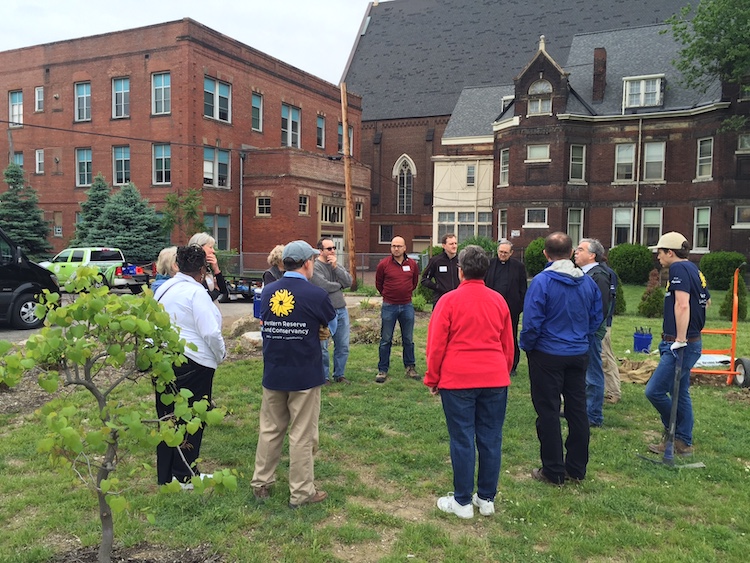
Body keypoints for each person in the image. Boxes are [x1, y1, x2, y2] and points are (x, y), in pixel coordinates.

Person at [425, 245, 514, 519]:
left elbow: (436, 344)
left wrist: (432, 377)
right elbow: (507, 345)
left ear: (460, 270)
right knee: (490, 438)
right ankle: (486, 498)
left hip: (458, 379)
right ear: (485, 271)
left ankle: (463, 501)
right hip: (494, 378)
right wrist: (504, 371)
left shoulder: (449, 301)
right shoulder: (498, 300)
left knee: (462, 439)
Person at [251, 240, 336, 508]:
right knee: (301, 434)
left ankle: (261, 483)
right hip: (304, 375)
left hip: (274, 371)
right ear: (308, 263)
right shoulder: (315, 294)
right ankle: (301, 493)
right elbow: (330, 324)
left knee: (270, 429)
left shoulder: (268, 291)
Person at [520, 232, 602, 485]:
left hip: (547, 354)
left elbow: (532, 322)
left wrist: (528, 347)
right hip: (577, 354)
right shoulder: (587, 282)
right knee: (577, 411)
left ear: (546, 254)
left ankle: (553, 471)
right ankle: (576, 468)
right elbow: (596, 317)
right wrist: (581, 338)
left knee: (549, 411)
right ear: (570, 253)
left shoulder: (542, 282)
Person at [153, 245, 226, 488]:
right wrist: (220, 354)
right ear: (202, 269)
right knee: (193, 418)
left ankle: (166, 476)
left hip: (164, 360)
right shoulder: (196, 293)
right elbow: (210, 332)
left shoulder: (164, 288)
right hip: (194, 363)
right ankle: (185, 475)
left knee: (168, 417)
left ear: (178, 265)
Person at [645, 232, 710, 456]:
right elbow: (706, 300)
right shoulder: (694, 268)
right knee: (680, 393)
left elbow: (683, 305)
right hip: (688, 340)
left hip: (681, 343)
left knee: (654, 391)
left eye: (660, 252)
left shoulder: (678, 269)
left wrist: (680, 339)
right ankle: (683, 442)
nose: (658, 257)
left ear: (670, 252)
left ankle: (675, 431)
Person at [573, 238, 611, 428]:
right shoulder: (580, 273)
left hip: (590, 333)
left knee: (593, 373)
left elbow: (601, 309)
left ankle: (594, 415)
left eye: (580, 249)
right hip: (580, 331)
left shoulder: (599, 276)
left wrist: (588, 330)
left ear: (592, 255)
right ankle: (581, 409)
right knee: (581, 374)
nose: (575, 252)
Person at [375, 236, 420, 383]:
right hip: (389, 306)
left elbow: (414, 283)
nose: (396, 248)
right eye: (394, 246)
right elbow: (379, 284)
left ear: (405, 248)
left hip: (407, 305)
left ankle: (410, 367)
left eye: (399, 246)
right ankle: (382, 370)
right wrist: (389, 295)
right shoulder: (383, 264)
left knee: (408, 339)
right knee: (386, 339)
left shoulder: (412, 264)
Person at [311, 238, 353, 384]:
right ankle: (324, 377)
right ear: (320, 251)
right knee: (323, 347)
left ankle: (339, 375)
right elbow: (323, 286)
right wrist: (339, 285)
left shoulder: (336, 265)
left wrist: (336, 267)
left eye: (334, 248)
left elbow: (348, 282)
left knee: (342, 345)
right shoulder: (315, 267)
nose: (333, 251)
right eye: (329, 249)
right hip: (324, 312)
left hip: (341, 310)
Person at [484, 239, 528, 375]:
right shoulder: (489, 264)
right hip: (491, 308)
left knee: (511, 336)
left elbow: (523, 289)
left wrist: (519, 306)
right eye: (501, 252)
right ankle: (490, 362)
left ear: (511, 253)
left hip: (511, 309)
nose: (502, 255)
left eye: (505, 253)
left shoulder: (518, 267)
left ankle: (512, 365)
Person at [600, 257, 621, 404]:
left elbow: (608, 301)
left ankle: (613, 391)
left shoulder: (606, 273)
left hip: (602, 324)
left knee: (605, 357)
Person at [420, 233, 459, 304]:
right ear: (444, 246)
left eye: (455, 243)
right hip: (441, 300)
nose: (454, 246)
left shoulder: (461, 261)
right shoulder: (436, 261)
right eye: (451, 244)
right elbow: (424, 279)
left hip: (458, 300)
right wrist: (437, 287)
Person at [188, 233, 229, 301]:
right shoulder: (193, 270)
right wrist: (216, 290)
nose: (213, 251)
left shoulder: (207, 268)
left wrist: (216, 269)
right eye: (210, 247)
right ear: (200, 247)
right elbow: (204, 296)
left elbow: (224, 290)